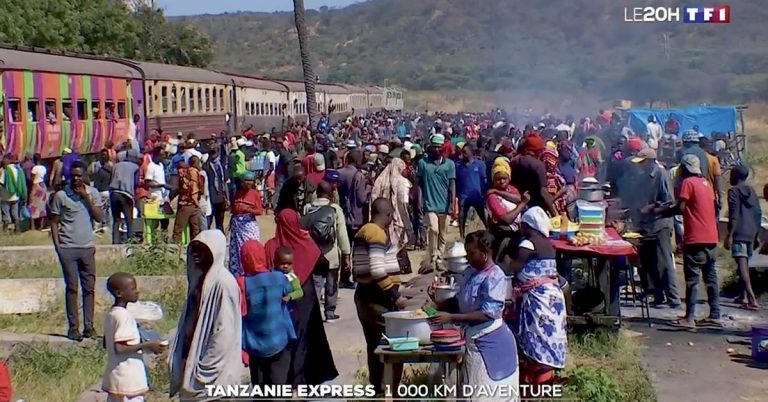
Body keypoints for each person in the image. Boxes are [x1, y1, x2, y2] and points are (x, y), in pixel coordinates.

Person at [428, 230, 519, 401]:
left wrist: (451, 318)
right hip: (473, 341)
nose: (468, 257)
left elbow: (487, 313)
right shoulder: (470, 273)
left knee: (488, 394)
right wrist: (437, 303)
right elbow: (460, 300)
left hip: (491, 342)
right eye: (466, 252)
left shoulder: (494, 276)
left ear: (485, 254)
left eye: (472, 253)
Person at [265, 208, 338, 386]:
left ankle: (284, 381)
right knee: (305, 338)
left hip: (280, 300)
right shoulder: (305, 241)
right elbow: (322, 264)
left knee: (284, 341)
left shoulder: (271, 246)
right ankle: (303, 381)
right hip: (306, 298)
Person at [169, 230, 242, 399]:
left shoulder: (223, 283)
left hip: (213, 374)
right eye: (194, 248)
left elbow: (224, 332)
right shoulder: (200, 280)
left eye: (202, 249)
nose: (196, 253)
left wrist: (206, 369)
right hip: (193, 362)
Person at [654, 155, 721, 329]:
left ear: (684, 169)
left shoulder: (688, 183)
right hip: (712, 237)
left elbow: (680, 208)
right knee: (710, 277)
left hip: (696, 238)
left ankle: (689, 317)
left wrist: (659, 212)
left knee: (692, 279)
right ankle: (715, 314)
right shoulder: (707, 183)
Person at [504, 207, 567, 385]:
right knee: (550, 336)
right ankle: (545, 377)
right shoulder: (547, 243)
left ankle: (536, 380)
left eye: (522, 224)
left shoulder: (528, 244)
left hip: (537, 299)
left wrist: (505, 260)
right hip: (553, 296)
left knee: (537, 337)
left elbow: (513, 267)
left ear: (527, 226)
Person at [353, 198, 407, 396]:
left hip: (365, 295)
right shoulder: (375, 233)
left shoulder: (365, 230)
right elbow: (377, 271)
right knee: (395, 347)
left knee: (375, 345)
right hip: (376, 297)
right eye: (391, 215)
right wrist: (395, 295)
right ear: (387, 215)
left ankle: (378, 390)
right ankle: (392, 392)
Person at [49, 161, 103, 341]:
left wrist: (86, 198)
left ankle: (89, 326)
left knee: (89, 288)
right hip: (68, 248)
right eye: (73, 176)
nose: (76, 179)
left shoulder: (93, 194)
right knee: (72, 287)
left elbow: (99, 217)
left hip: (87, 248)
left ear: (85, 176)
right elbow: (54, 222)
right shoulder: (61, 196)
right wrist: (58, 247)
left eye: (79, 175)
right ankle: (74, 328)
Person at [237, 240, 296, 386]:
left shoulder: (241, 283)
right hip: (279, 340)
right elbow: (292, 299)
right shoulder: (278, 277)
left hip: (255, 345)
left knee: (260, 390)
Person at [102, 272, 167, 402]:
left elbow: (106, 343)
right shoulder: (123, 316)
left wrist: (139, 341)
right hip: (128, 379)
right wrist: (148, 345)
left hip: (116, 376)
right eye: (132, 289)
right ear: (119, 293)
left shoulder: (112, 313)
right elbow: (119, 347)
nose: (137, 291)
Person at [630, 149, 681, 308]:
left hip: (661, 224)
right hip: (648, 224)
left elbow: (669, 202)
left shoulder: (661, 174)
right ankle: (658, 296)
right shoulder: (643, 176)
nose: (639, 166)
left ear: (650, 161)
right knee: (651, 262)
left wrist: (650, 208)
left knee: (664, 261)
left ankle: (673, 298)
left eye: (642, 162)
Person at [304, 181, 351, 322]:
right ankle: (330, 312)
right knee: (332, 283)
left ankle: (314, 313)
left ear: (316, 192)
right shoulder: (335, 209)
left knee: (316, 283)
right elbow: (342, 234)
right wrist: (346, 254)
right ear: (331, 193)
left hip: (313, 253)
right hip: (331, 253)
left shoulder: (308, 208)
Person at [723, 165, 761, 310]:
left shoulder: (733, 191)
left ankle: (751, 298)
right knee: (744, 264)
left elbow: (734, 214)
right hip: (751, 231)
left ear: (736, 176)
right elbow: (757, 213)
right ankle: (742, 295)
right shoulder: (751, 191)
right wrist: (757, 234)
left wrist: (730, 235)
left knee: (742, 265)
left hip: (739, 232)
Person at [417, 134, 456, 267]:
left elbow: (452, 185)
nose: (437, 149)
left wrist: (452, 203)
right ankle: (433, 255)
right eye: (434, 147)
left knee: (443, 233)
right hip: (430, 203)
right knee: (434, 229)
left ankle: (440, 255)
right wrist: (420, 201)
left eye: (439, 147)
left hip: (444, 204)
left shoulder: (449, 164)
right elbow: (419, 183)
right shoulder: (423, 163)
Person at [371, 158, 414, 274]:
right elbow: (404, 205)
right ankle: (395, 268)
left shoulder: (379, 181)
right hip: (398, 218)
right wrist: (409, 227)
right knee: (397, 244)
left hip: (381, 218)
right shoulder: (402, 182)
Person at [338, 150, 369, 288]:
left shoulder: (339, 173)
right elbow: (361, 198)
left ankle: (344, 278)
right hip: (356, 218)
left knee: (344, 249)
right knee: (357, 250)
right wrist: (368, 189)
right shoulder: (359, 176)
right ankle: (356, 277)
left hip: (342, 215)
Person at [485, 161, 528, 261]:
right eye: (498, 179)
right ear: (493, 180)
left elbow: (517, 198)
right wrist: (523, 204)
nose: (502, 181)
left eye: (505, 178)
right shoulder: (492, 197)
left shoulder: (511, 189)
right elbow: (506, 219)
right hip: (502, 236)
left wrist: (498, 191)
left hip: (517, 232)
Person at [229, 171, 264, 275]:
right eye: (246, 181)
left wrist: (248, 209)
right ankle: (238, 273)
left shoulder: (255, 194)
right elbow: (233, 210)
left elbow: (260, 211)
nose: (248, 183)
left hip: (248, 226)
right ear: (242, 182)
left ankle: (251, 270)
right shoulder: (237, 193)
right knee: (237, 251)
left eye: (250, 181)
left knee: (251, 248)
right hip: (237, 227)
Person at [511, 134, 554, 215]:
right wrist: (555, 213)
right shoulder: (537, 165)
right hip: (534, 206)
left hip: (517, 203)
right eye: (541, 150)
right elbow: (543, 192)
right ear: (537, 151)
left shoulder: (514, 160)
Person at [455, 144, 488, 238]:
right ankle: (462, 235)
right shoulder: (458, 166)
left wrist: (484, 193)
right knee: (462, 216)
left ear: (471, 152)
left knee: (483, 214)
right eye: (462, 152)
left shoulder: (480, 164)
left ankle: (488, 230)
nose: (463, 154)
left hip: (476, 195)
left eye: (465, 152)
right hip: (463, 195)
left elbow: (484, 179)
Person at [109, 151, 140, 244]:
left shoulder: (116, 165)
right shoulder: (135, 167)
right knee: (129, 220)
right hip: (126, 194)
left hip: (114, 193)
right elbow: (136, 183)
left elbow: (111, 178)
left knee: (116, 219)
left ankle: (115, 242)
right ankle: (130, 241)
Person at [172, 156, 203, 243]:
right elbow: (198, 189)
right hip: (193, 204)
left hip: (185, 204)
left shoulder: (185, 172)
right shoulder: (197, 172)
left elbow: (190, 189)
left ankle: (176, 249)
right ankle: (195, 248)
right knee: (195, 230)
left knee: (178, 229)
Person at [203, 147, 228, 231]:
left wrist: (226, 197)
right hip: (210, 196)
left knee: (220, 221)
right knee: (208, 221)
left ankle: (221, 237)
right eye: (211, 153)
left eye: (214, 152)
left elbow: (224, 181)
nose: (213, 155)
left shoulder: (221, 165)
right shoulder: (205, 166)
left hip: (221, 196)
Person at [0, 155, 25, 233]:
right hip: (15, 196)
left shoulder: (6, 170)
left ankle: (4, 231)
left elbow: (1, 182)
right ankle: (17, 230)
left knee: (5, 214)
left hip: (5, 196)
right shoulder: (19, 170)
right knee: (15, 214)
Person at [27, 153, 49, 230]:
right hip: (43, 186)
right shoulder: (43, 168)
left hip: (36, 186)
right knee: (42, 206)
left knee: (31, 205)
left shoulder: (34, 168)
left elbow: (32, 179)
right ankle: (41, 226)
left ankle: (32, 226)